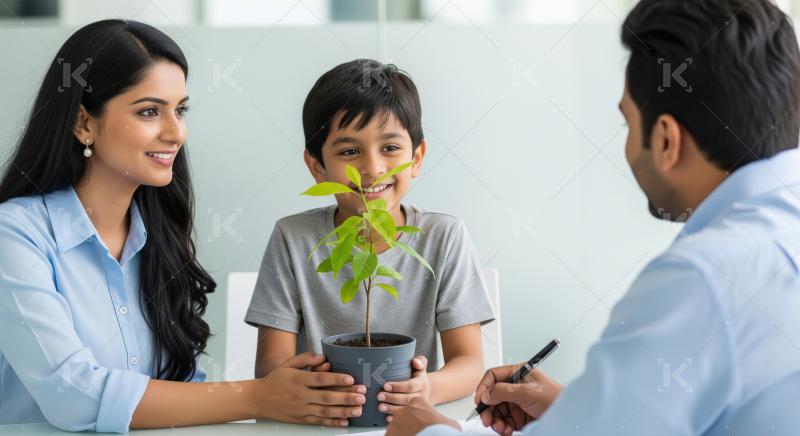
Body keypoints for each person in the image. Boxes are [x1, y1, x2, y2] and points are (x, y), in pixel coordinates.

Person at [387, 0, 800, 434]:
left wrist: (427, 431)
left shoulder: (703, 277)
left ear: (665, 141)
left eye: (627, 125)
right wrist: (576, 412)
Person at [0, 19, 365, 432]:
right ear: (84, 123)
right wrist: (259, 396)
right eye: (149, 111)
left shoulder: (159, 238)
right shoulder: (15, 235)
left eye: (180, 110)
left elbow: (184, 391)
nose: (176, 132)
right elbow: (72, 395)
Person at [246, 59, 496, 422]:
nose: (373, 168)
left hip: (405, 422)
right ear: (318, 167)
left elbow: (469, 363)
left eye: (390, 148)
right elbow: (271, 365)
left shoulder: (443, 237)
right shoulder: (293, 237)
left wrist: (427, 388)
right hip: (319, 423)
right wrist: (309, 388)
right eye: (349, 152)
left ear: (416, 158)